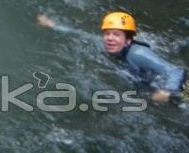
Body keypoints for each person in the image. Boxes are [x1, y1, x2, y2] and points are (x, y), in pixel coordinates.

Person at [37, 11, 188, 104]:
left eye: (116, 34)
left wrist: (167, 91)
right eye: (107, 33)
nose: (109, 38)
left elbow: (176, 70)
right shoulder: (104, 45)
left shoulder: (138, 53)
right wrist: (53, 25)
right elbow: (80, 34)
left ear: (128, 40)